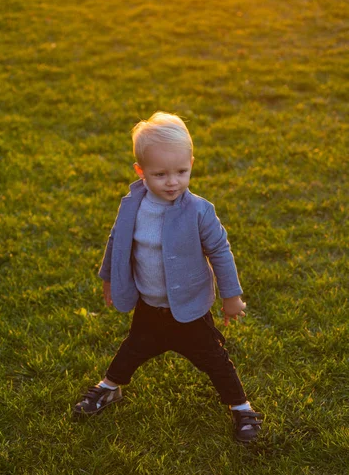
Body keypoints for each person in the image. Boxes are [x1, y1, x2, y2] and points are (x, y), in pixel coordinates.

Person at [74, 112, 262, 443]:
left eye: (181, 172)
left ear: (191, 163)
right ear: (140, 171)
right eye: (160, 174)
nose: (172, 181)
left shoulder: (199, 211)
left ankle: (242, 408)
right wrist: (109, 280)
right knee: (132, 350)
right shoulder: (132, 206)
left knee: (215, 360)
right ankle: (109, 388)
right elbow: (117, 243)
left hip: (189, 309)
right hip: (149, 306)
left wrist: (231, 297)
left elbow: (219, 251)